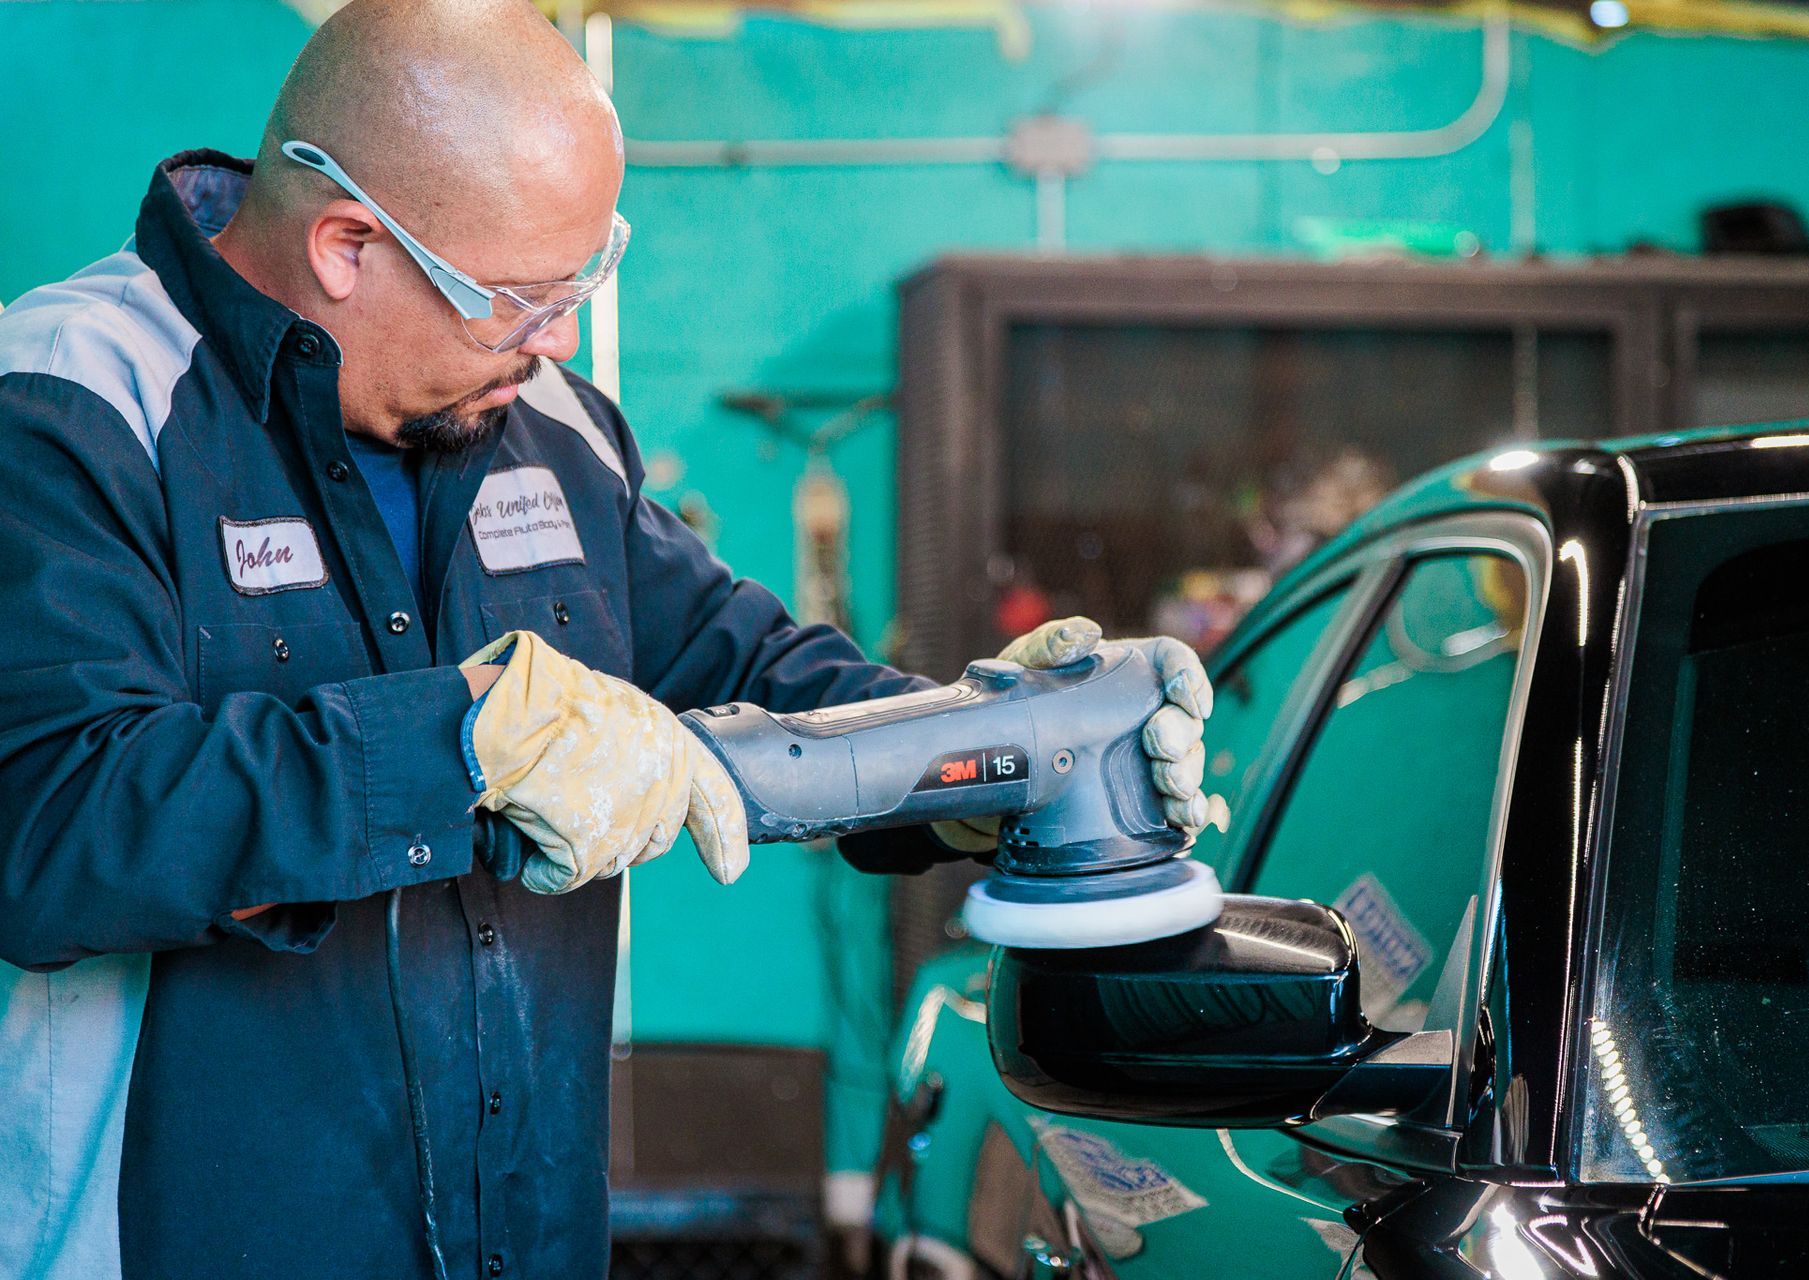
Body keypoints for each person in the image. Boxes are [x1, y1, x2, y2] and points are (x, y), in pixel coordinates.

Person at [0, 3, 1225, 1278]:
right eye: (521, 300)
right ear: (348, 245)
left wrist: (970, 753)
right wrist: (457, 746)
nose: (562, 340)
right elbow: (46, 824)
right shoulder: (74, 401)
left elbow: (750, 663)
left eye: (585, 280)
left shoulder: (553, 426)